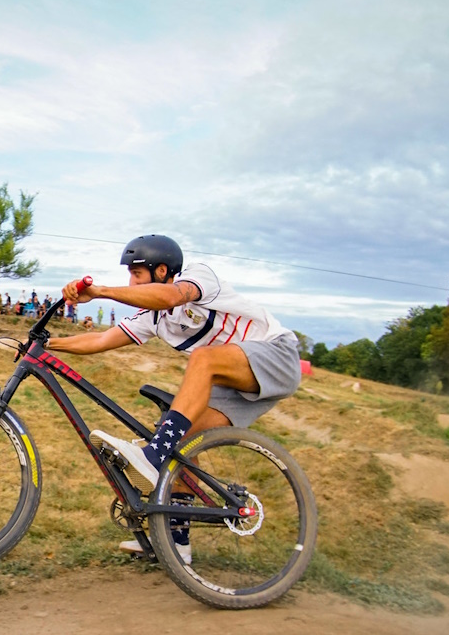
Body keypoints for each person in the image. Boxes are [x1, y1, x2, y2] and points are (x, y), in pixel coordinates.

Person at [47, 235, 303, 563]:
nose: (130, 283)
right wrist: (47, 344)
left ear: (163, 270)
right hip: (235, 380)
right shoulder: (150, 318)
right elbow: (100, 339)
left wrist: (100, 291)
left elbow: (170, 297)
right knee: (178, 442)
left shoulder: (198, 277)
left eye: (136, 275)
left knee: (203, 360)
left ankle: (151, 458)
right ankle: (176, 542)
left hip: (276, 356)